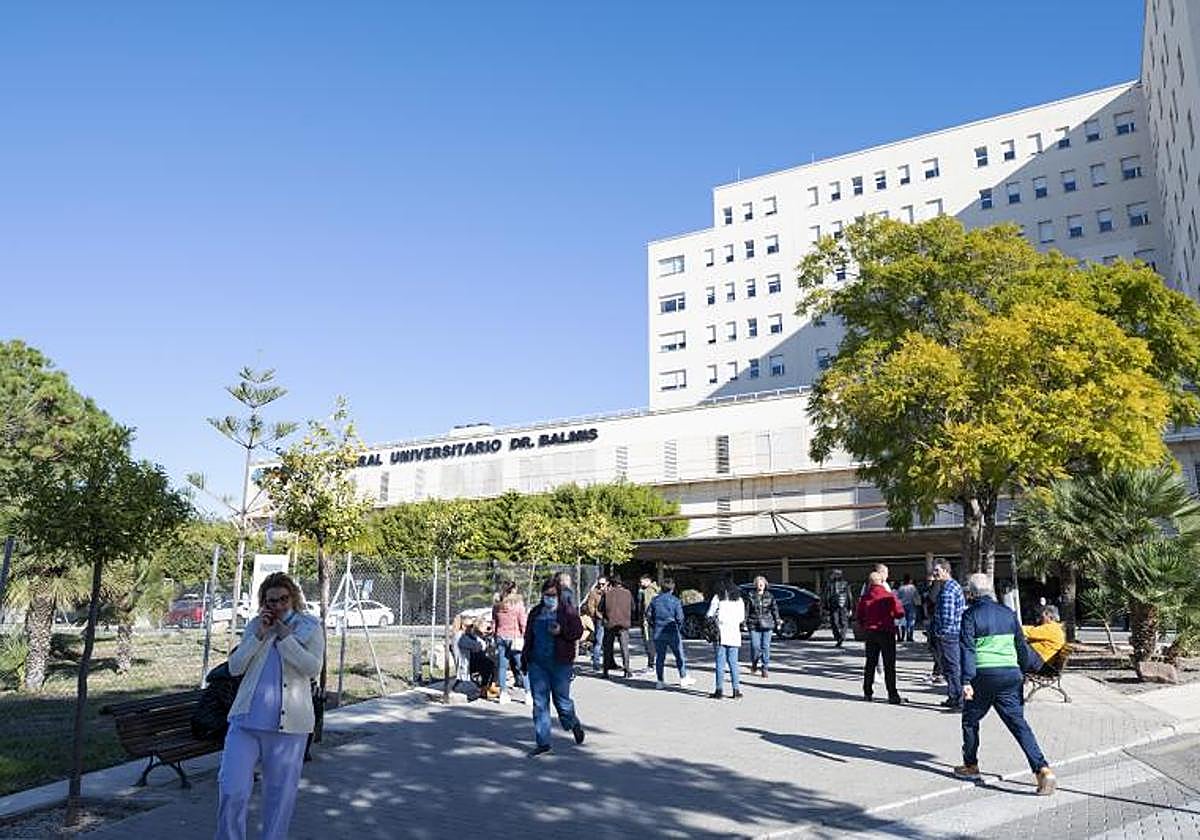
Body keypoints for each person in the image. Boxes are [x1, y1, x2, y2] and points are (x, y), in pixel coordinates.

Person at [216, 572, 323, 840]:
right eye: (271, 601)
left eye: (283, 599)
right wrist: (259, 635)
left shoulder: (309, 627)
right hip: (246, 723)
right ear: (263, 602)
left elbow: (312, 668)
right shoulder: (256, 625)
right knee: (232, 789)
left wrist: (286, 639)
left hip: (289, 729)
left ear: (293, 598)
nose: (278, 605)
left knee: (279, 797)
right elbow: (235, 667)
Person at [956, 574, 1057, 796]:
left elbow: (967, 650)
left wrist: (965, 681)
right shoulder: (1008, 613)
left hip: (983, 676)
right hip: (1010, 675)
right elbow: (1021, 647)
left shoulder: (970, 615)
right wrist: (1024, 670)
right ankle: (1042, 769)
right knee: (1018, 724)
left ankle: (971, 765)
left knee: (970, 721)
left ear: (971, 593)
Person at [521, 577, 586, 757]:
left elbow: (578, 632)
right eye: (546, 594)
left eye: (553, 595)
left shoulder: (567, 611)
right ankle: (543, 743)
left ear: (559, 595)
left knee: (562, 702)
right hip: (537, 664)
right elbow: (528, 637)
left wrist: (561, 631)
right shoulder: (536, 612)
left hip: (560, 663)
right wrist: (525, 659)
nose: (549, 598)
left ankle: (572, 723)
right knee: (540, 703)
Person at [855, 571, 905, 704]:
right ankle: (892, 694)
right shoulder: (889, 596)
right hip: (886, 631)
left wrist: (865, 625)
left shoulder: (865, 598)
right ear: (882, 582)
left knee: (870, 663)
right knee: (889, 664)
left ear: (869, 583)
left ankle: (867, 692)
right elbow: (899, 613)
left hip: (871, 632)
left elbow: (859, 616)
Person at [646, 578, 696, 689]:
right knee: (679, 655)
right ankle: (683, 677)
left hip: (659, 630)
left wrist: (654, 625)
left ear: (661, 588)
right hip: (672, 630)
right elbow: (680, 618)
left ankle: (660, 681)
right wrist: (678, 627)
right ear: (672, 589)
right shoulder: (676, 601)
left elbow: (648, 615)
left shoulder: (655, 600)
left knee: (660, 657)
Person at [932, 560, 966, 711]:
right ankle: (954, 697)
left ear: (946, 571)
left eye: (937, 570)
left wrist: (940, 633)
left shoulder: (948, 590)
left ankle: (959, 699)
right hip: (953, 633)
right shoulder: (951, 586)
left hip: (948, 635)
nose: (935, 573)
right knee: (951, 667)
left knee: (952, 667)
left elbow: (947, 617)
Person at [707, 575, 746, 699]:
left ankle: (719, 690)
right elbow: (741, 618)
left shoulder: (718, 598)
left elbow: (709, 614)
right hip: (734, 633)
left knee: (720, 663)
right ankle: (736, 690)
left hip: (720, 634)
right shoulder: (739, 600)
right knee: (733, 663)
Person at [492, 581, 528, 704]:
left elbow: (494, 622)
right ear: (513, 590)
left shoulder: (497, 605)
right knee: (522, 666)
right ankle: (528, 693)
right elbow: (523, 622)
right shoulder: (518, 605)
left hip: (501, 636)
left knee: (502, 667)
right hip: (515, 637)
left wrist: (495, 635)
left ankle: (503, 693)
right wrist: (526, 636)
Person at [744, 576, 781, 678]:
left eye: (762, 584)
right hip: (754, 623)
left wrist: (778, 621)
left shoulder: (770, 596)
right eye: (758, 583)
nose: (760, 585)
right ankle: (754, 663)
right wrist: (744, 623)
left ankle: (765, 667)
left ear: (765, 585)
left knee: (765, 646)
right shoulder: (751, 595)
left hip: (767, 623)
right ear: (755, 585)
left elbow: (774, 609)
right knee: (755, 646)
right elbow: (746, 610)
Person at [599, 574, 634, 678]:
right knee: (624, 648)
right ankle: (627, 670)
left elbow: (600, 608)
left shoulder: (607, 594)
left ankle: (605, 671)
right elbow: (633, 607)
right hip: (624, 623)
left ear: (611, 583)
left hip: (610, 623)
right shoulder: (628, 593)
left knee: (608, 648)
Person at [455, 617, 497, 697]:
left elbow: (481, 645)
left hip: (470, 660)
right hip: (466, 665)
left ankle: (487, 686)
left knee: (490, 663)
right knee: (488, 664)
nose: (472, 628)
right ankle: (484, 688)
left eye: (472, 626)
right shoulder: (460, 637)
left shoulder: (469, 635)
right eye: (470, 626)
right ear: (463, 626)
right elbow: (479, 646)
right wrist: (478, 644)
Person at [1022, 605, 1066, 674]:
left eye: (1042, 616)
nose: (1040, 619)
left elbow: (1029, 631)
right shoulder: (1054, 628)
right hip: (1041, 661)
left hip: (1039, 662)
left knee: (1018, 646)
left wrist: (1013, 626)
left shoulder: (1051, 628)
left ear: (1048, 616)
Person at [582, 576, 609, 671]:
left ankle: (609, 662)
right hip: (599, 619)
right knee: (598, 641)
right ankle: (596, 663)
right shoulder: (594, 593)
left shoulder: (610, 592)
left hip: (609, 619)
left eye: (603, 584)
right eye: (599, 584)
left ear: (607, 583)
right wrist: (596, 615)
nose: (601, 586)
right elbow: (590, 606)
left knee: (608, 642)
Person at [637, 573, 661, 674]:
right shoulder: (656, 590)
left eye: (642, 582)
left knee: (648, 642)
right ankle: (654, 664)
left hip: (648, 621)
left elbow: (646, 606)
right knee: (653, 642)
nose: (640, 583)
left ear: (648, 581)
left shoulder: (648, 591)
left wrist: (645, 619)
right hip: (656, 620)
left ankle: (651, 665)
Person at [823, 569, 852, 647]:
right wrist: (826, 607)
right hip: (835, 606)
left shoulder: (845, 584)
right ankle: (839, 637)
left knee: (842, 622)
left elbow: (849, 596)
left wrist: (850, 607)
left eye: (833, 574)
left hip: (842, 605)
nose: (831, 576)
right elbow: (826, 596)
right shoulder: (830, 584)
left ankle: (841, 637)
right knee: (835, 622)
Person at [896, 574, 918, 643]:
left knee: (903, 621)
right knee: (911, 621)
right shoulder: (913, 587)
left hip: (903, 605)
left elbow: (898, 597)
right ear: (909, 580)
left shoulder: (901, 588)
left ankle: (902, 636)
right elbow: (916, 596)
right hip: (911, 604)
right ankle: (910, 636)